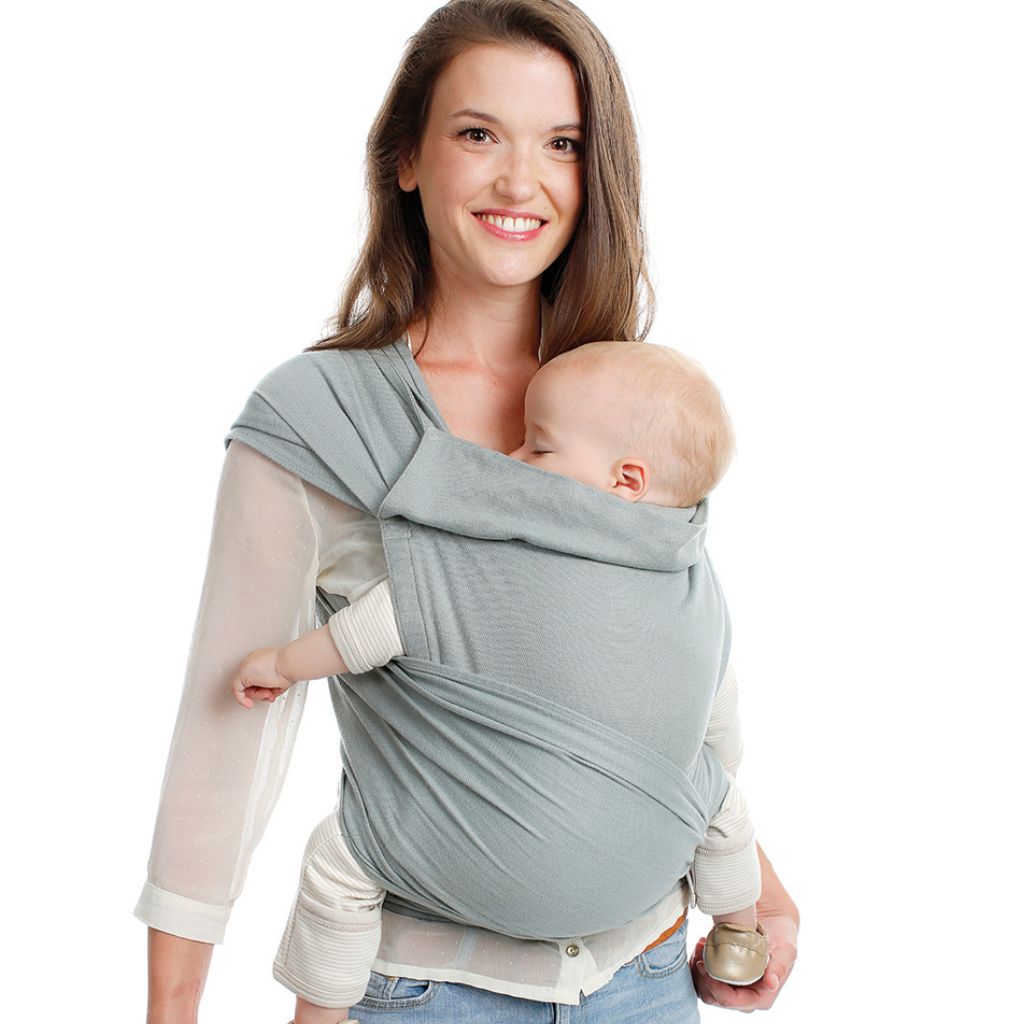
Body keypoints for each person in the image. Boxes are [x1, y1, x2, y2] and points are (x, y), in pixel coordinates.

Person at [136, 3, 799, 1022]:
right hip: (430, 992)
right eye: (479, 133)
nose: (520, 182)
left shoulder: (627, 399)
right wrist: (170, 1013)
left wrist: (761, 892)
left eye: (562, 144)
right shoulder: (320, 421)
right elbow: (221, 743)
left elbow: (656, 685)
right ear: (406, 157)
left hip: (649, 977)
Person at [230, 340, 769, 1024]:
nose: (511, 459)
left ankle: (319, 1013)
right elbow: (715, 708)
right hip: (647, 880)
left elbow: (379, 624)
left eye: (537, 447)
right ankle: (738, 940)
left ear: (626, 480)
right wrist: (686, 784)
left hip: (481, 881)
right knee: (724, 804)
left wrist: (282, 665)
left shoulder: (493, 555)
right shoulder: (689, 579)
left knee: (341, 862)